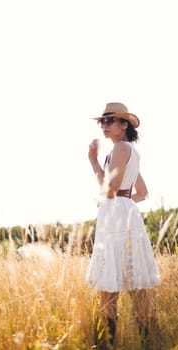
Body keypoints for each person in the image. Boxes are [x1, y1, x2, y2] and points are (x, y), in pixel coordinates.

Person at [85, 102, 160, 349]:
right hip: (127, 214)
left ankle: (104, 345)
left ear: (123, 124)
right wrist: (123, 203)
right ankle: (152, 343)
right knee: (137, 287)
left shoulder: (119, 149)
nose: (104, 126)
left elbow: (109, 189)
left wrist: (93, 161)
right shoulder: (130, 151)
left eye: (109, 121)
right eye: (102, 122)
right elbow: (142, 193)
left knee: (109, 289)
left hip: (115, 218)